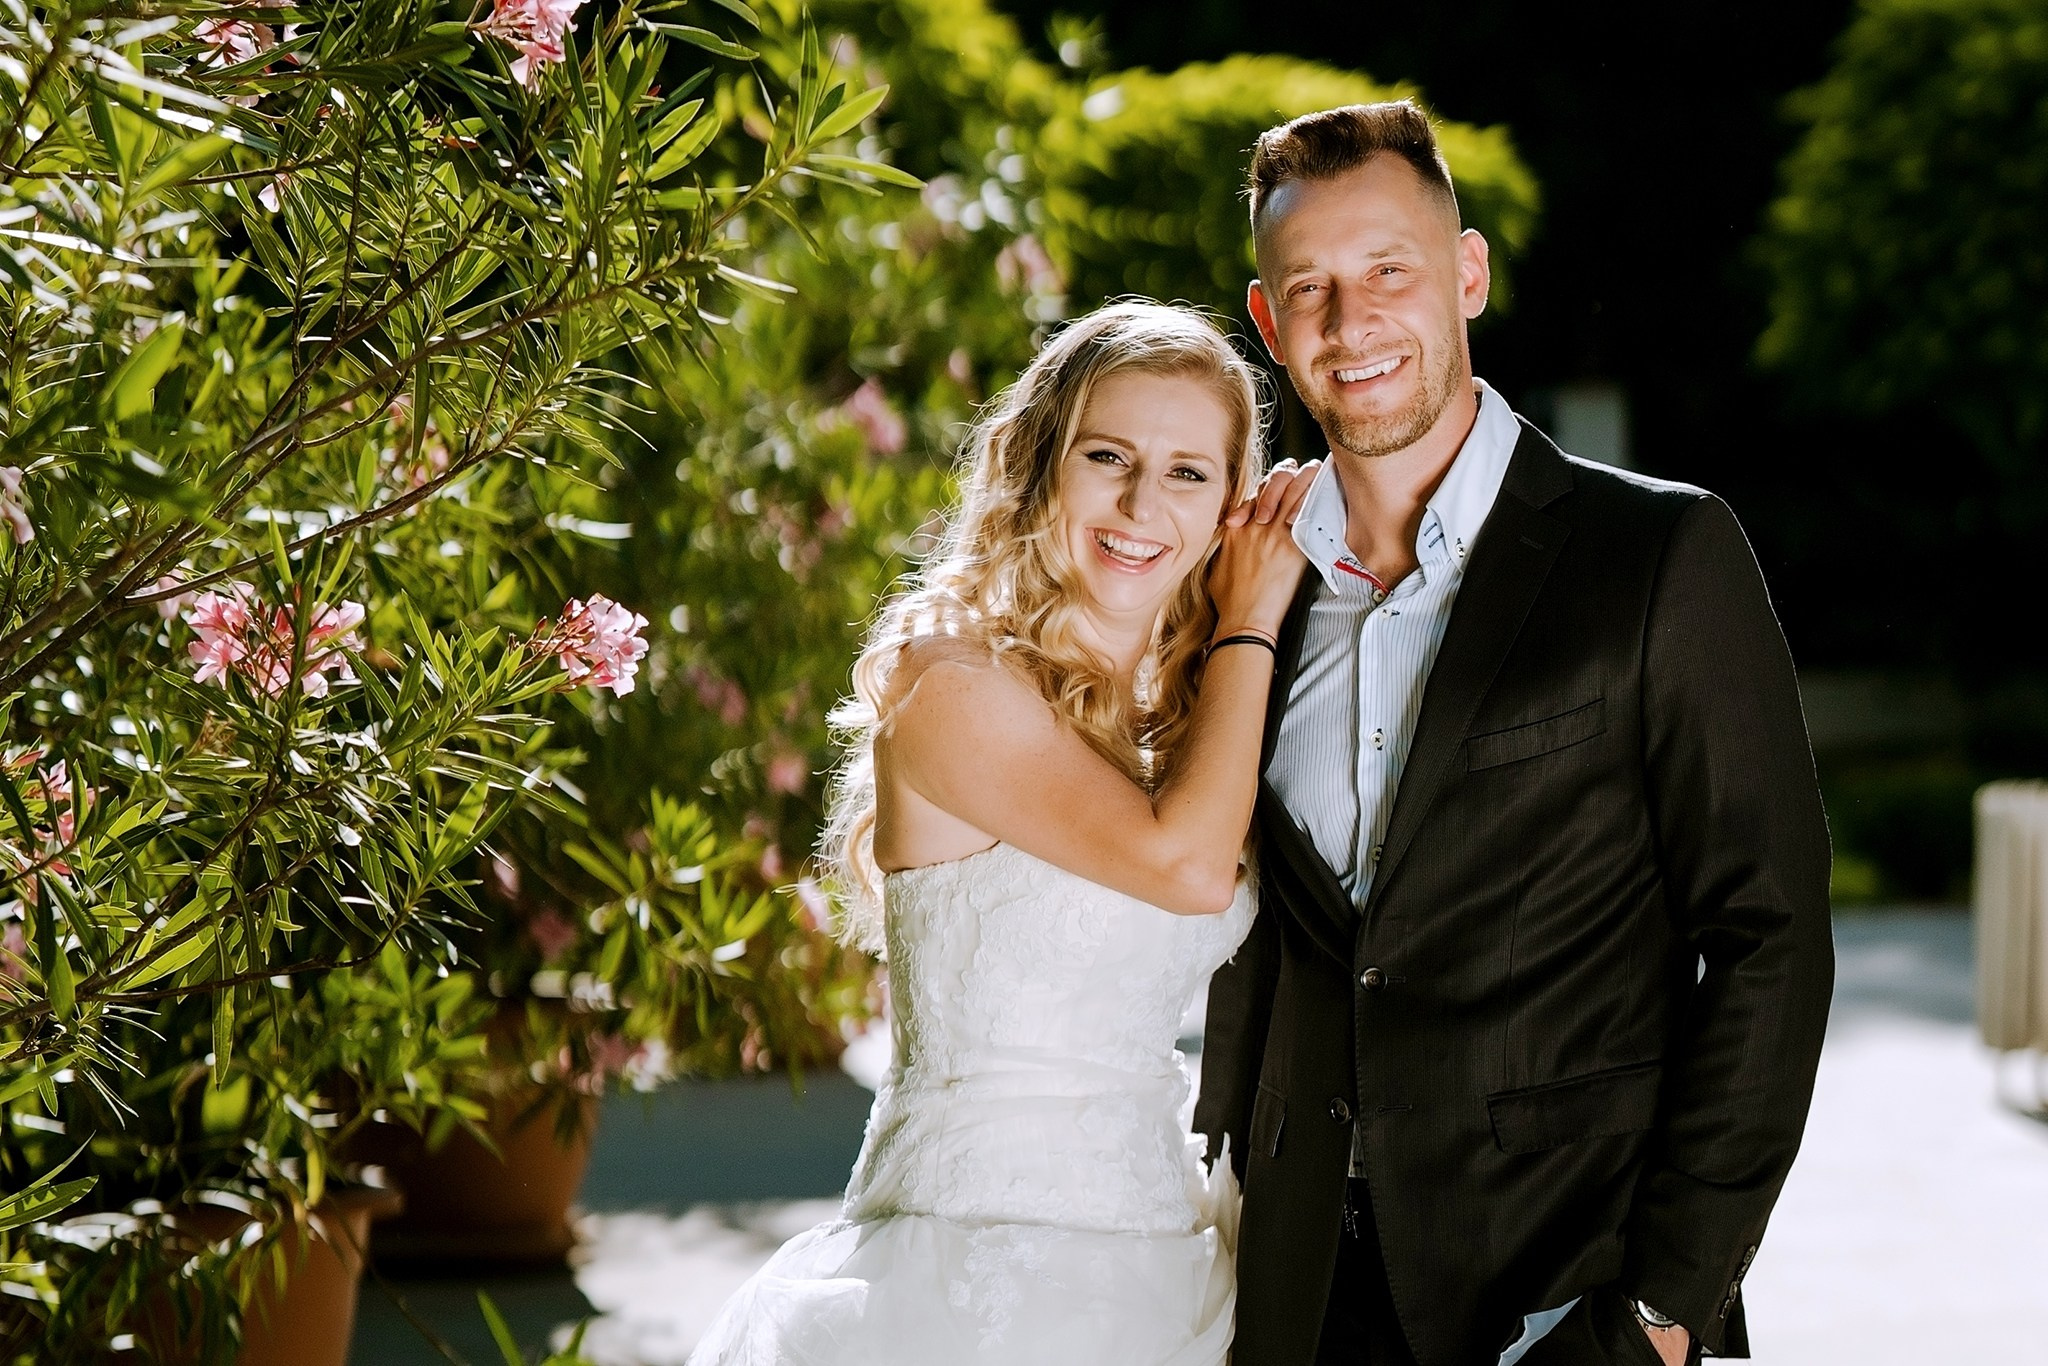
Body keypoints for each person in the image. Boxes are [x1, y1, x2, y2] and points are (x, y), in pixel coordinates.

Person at [1193, 102, 1835, 1366]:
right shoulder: (1241, 588)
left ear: (1466, 275)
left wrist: (1662, 1308)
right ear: (1266, 326)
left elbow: (1771, 941)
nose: (1349, 321)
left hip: (1568, 1292)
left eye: (1388, 271)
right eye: (1307, 288)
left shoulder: (1657, 554)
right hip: (1295, 1294)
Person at [690, 300, 1312, 1365]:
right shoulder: (947, 678)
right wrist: (1252, 617)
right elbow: (1187, 866)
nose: (1139, 502)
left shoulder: (1187, 718)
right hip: (957, 1284)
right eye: (1105, 455)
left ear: (1225, 508)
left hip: (1167, 1267)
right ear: (1039, 467)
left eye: (1185, 473)